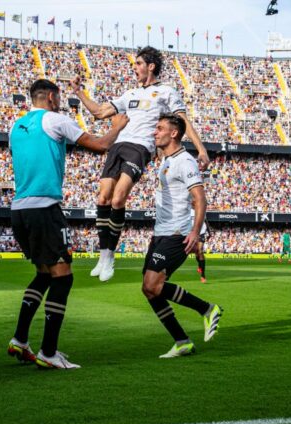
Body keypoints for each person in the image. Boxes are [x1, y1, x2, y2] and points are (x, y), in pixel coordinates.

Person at [6, 79, 128, 369]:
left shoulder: (15, 126)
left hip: (19, 209)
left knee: (44, 274)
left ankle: (20, 340)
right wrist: (117, 126)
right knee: (63, 277)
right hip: (44, 207)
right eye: (58, 98)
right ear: (51, 96)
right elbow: (99, 145)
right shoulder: (56, 120)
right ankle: (48, 352)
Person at [71, 46, 209, 282]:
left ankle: (110, 257)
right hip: (119, 144)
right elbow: (99, 112)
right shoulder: (130, 94)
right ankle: (103, 256)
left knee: (118, 198)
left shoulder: (166, 92)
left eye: (138, 64)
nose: (134, 68)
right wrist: (79, 92)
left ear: (150, 66)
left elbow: (183, 120)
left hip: (140, 147)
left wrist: (202, 149)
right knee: (102, 198)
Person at [141, 114, 222, 358]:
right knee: (149, 290)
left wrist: (195, 232)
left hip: (177, 233)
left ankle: (208, 309)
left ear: (174, 133)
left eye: (160, 128)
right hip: (162, 232)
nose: (155, 132)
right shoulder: (167, 160)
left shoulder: (185, 162)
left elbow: (199, 199)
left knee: (152, 285)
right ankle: (182, 341)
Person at [193, 213, 209, 283]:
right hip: (192, 232)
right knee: (196, 252)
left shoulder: (200, 208)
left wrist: (209, 232)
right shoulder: (187, 209)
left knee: (200, 251)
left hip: (201, 232)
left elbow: (206, 221)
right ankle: (200, 266)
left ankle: (203, 275)